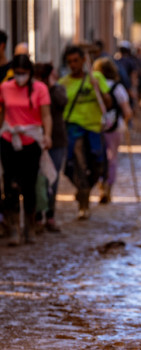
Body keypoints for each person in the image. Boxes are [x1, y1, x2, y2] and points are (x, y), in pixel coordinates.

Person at [0, 54, 52, 245]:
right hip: (8, 139)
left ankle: (29, 227)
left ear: (30, 73)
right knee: (10, 184)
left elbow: (46, 115)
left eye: (24, 73)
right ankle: (13, 228)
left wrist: (47, 135)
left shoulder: (40, 89)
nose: (21, 77)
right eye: (18, 73)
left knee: (29, 185)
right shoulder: (5, 87)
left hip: (31, 141)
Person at [58, 45, 111, 220]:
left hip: (94, 128)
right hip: (74, 127)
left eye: (76, 61)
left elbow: (109, 103)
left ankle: (85, 189)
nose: (73, 65)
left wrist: (99, 90)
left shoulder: (96, 77)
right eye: (69, 62)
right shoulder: (63, 83)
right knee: (78, 161)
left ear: (83, 60)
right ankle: (83, 198)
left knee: (98, 164)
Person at [93, 58, 132, 204]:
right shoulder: (118, 88)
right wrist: (126, 122)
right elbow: (127, 111)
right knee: (112, 157)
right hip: (115, 127)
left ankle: (100, 183)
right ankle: (108, 184)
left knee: (97, 155)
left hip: (95, 125)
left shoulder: (94, 86)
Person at [33, 63, 67, 232]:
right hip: (34, 139)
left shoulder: (57, 91)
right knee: (38, 180)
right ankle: (39, 216)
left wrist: (51, 86)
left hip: (56, 141)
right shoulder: (30, 91)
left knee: (52, 179)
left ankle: (50, 215)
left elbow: (63, 103)